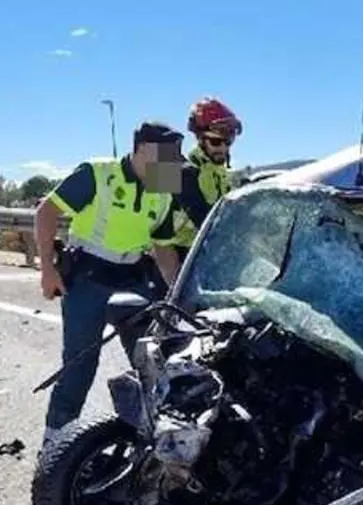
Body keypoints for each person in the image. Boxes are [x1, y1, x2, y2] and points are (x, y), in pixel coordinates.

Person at [35, 121, 185, 446]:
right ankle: (55, 444)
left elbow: (163, 247)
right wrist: (47, 269)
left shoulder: (164, 183)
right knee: (79, 364)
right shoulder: (98, 173)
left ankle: (153, 442)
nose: (173, 163)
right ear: (143, 149)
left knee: (152, 362)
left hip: (132, 277)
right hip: (87, 276)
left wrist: (178, 292)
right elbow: (46, 212)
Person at [162, 97, 243, 263]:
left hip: (206, 256)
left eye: (228, 142)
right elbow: (205, 220)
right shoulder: (176, 169)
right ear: (199, 139)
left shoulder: (222, 174)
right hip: (174, 261)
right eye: (215, 142)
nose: (223, 148)